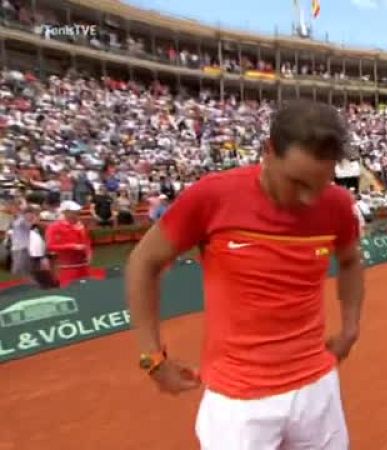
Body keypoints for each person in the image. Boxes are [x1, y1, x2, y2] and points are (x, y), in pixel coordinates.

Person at [125, 99, 364, 450]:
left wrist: (351, 327)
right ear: (268, 151)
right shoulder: (213, 196)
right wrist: (151, 357)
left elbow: (351, 261)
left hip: (317, 388)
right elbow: (143, 262)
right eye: (297, 182)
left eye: (321, 183)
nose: (310, 198)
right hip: (238, 402)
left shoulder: (337, 205)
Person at [45, 200, 92, 287]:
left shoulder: (80, 225)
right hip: (66, 267)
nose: (77, 215)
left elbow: (86, 240)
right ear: (66, 213)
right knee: (69, 288)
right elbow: (50, 246)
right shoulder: (55, 227)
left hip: (83, 265)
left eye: (77, 212)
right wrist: (72, 246)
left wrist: (89, 253)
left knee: (86, 287)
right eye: (74, 212)